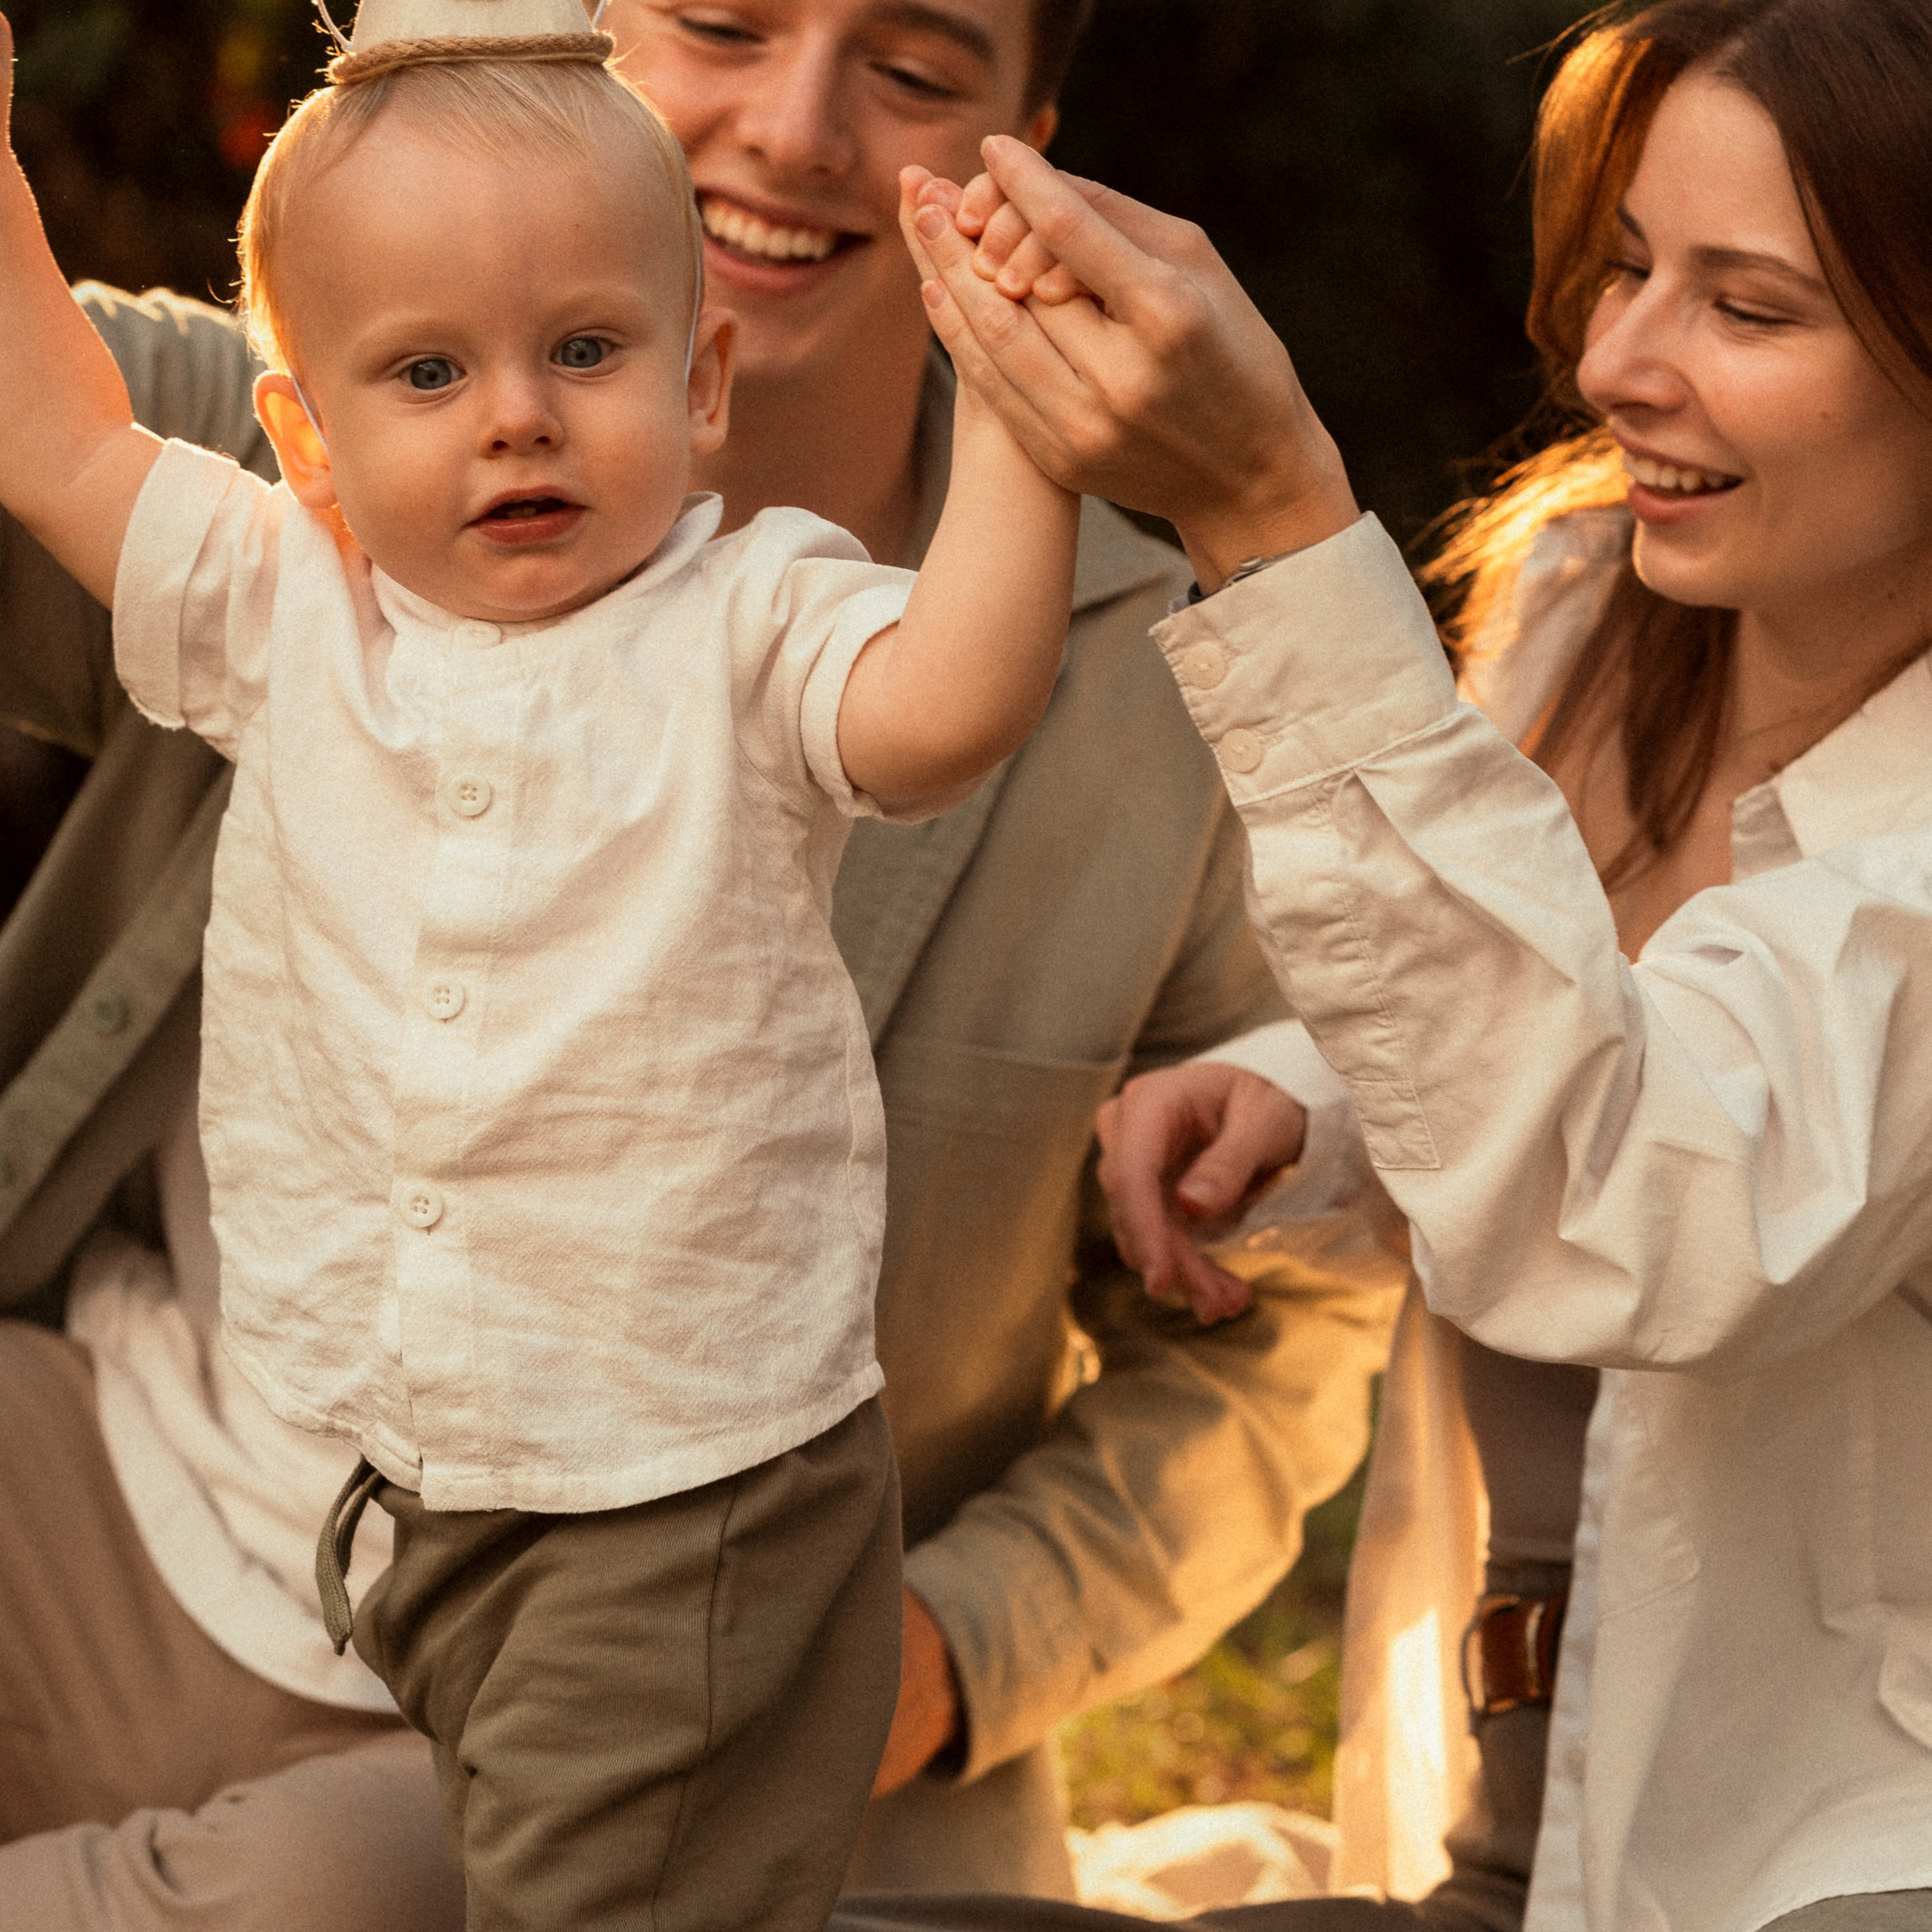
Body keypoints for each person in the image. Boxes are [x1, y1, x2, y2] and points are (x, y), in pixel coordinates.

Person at [0, 0, 1392, 1923]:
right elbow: (55, 431)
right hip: (170, 1496)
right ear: (304, 428)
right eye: (726, 21)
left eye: (910, 72)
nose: (799, 127)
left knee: (344, 1893)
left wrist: (1024, 423)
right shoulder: (286, 557)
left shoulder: (801, 628)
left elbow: (946, 704)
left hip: (645, 1601)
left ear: (1021, 146)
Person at [843, 0, 1932, 1925]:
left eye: (1746, 308)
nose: (1615, 362)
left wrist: (1266, 516)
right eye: (1625, 267)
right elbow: (1553, 1024)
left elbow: (1636, 1198)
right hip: (1517, 1848)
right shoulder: (1594, 611)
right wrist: (1311, 1103)